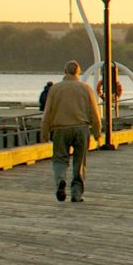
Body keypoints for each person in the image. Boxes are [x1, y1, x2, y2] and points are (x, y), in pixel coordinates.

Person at [42, 61, 104, 202]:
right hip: (81, 128)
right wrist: (97, 132)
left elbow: (47, 113)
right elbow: (94, 112)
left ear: (65, 71)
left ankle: (60, 181)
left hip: (60, 128)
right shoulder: (85, 88)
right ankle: (76, 193)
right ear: (78, 72)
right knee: (79, 161)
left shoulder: (55, 89)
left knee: (59, 159)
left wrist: (44, 132)